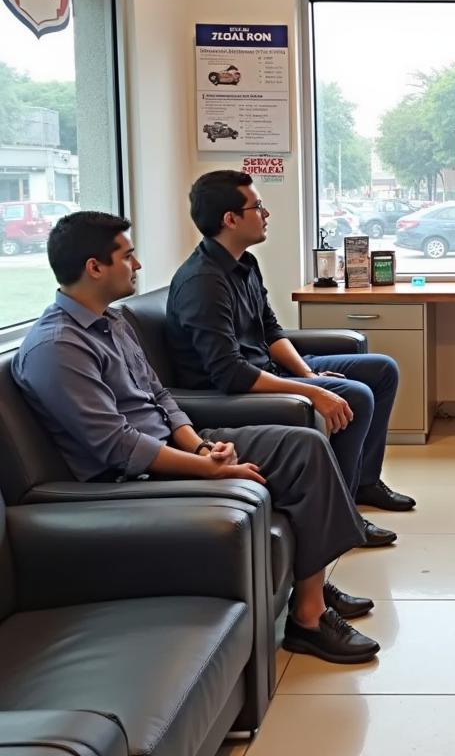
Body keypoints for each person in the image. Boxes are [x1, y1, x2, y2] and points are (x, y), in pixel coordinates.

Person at [13, 211, 379, 664]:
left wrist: (200, 446)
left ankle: (310, 591)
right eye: (128, 256)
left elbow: (159, 395)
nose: (139, 265)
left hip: (178, 446)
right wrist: (204, 469)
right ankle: (308, 619)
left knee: (303, 445)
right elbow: (117, 446)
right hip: (132, 480)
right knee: (301, 449)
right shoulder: (57, 347)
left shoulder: (112, 322)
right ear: (94, 267)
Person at [165, 171, 414, 548]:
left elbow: (271, 331)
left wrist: (309, 374)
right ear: (230, 219)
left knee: (381, 370)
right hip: (232, 393)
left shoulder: (244, 263)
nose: (265, 214)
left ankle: (364, 483)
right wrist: (311, 391)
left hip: (267, 370)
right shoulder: (202, 283)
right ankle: (343, 514)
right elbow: (230, 373)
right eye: (257, 207)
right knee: (357, 395)